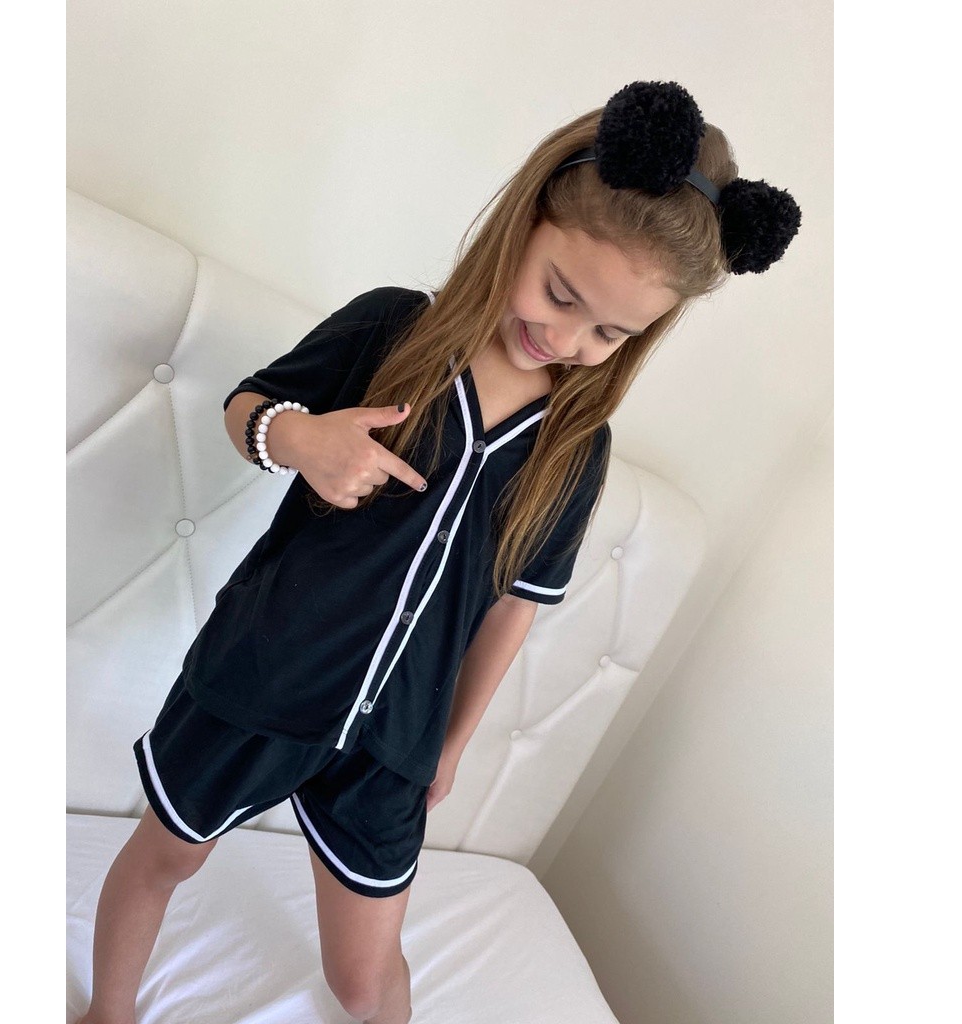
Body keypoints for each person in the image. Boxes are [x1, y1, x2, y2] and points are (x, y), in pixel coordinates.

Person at [76, 80, 801, 1024]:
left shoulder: (573, 449)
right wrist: (302, 441)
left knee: (366, 978)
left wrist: (450, 746)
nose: (566, 338)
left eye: (609, 332)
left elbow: (516, 606)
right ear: (526, 222)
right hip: (262, 675)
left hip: (397, 739)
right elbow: (247, 405)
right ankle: (108, 1013)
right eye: (561, 293)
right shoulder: (391, 330)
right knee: (164, 859)